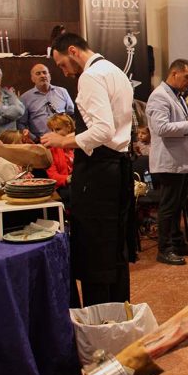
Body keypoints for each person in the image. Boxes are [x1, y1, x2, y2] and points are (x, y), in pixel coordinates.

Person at [41, 33, 136, 308]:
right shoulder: (115, 70)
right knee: (115, 248)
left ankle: (99, 324)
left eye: (61, 64)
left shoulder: (91, 76)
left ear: (73, 51)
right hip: (117, 168)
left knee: (96, 250)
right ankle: (119, 313)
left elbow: (103, 130)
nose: (64, 71)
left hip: (98, 173)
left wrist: (63, 141)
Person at [146, 59, 188, 265]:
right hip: (168, 162)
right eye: (187, 76)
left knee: (178, 204)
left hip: (178, 161)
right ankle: (165, 249)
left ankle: (178, 242)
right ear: (174, 74)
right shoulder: (159, 97)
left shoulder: (176, 96)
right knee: (168, 207)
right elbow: (161, 128)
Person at [18, 63, 75, 142]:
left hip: (64, 140)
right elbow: (21, 123)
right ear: (32, 79)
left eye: (45, 72)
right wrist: (34, 139)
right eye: (38, 74)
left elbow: (71, 115)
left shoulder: (62, 92)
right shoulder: (25, 98)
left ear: (49, 76)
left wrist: (69, 135)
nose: (42, 75)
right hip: (40, 142)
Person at [45, 113, 75, 205]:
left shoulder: (80, 144)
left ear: (68, 127)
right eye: (52, 130)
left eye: (58, 129)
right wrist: (68, 178)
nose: (54, 134)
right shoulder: (50, 149)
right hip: (62, 186)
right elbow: (53, 176)